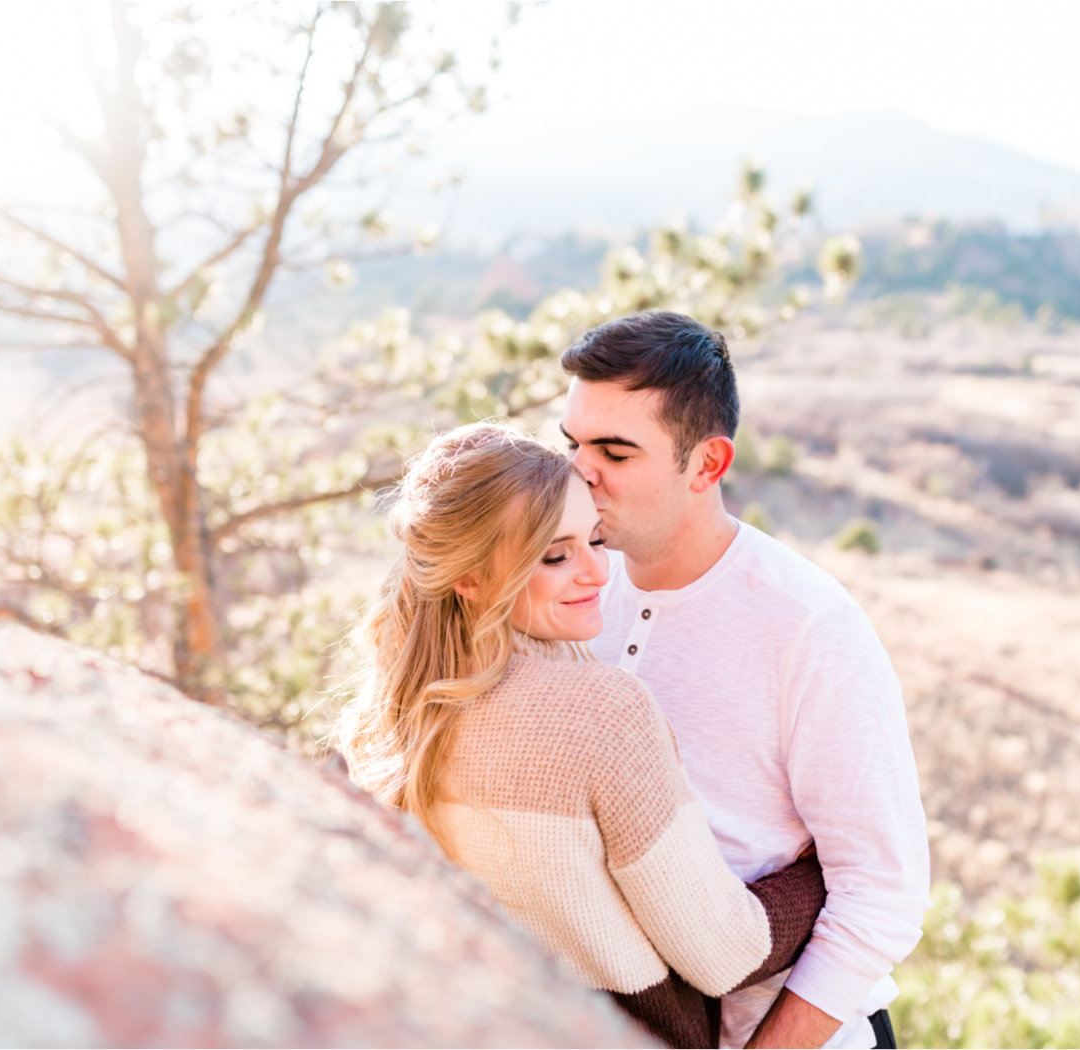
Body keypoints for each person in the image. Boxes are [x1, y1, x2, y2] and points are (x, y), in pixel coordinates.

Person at [333, 423, 827, 1049]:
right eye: (556, 555)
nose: (598, 572)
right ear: (470, 577)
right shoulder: (601, 711)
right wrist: (819, 873)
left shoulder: (399, 714)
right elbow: (724, 955)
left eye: (594, 538)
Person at [559, 312, 931, 1049]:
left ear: (707, 464)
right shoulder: (566, 597)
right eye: (572, 443)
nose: (579, 471)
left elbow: (882, 893)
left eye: (616, 451)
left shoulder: (811, 627)